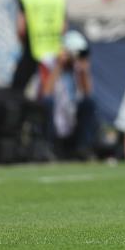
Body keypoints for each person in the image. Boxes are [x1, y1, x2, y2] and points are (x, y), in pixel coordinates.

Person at [39, 30, 98, 160]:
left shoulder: (77, 68)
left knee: (89, 104)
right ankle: (48, 147)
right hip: (53, 116)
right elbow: (46, 93)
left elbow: (87, 94)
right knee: (47, 103)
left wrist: (84, 71)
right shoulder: (48, 62)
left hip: (70, 115)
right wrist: (59, 66)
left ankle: (83, 148)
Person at [12, 0, 66, 94]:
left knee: (17, 89)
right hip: (53, 50)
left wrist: (23, 42)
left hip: (32, 47)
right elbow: (64, 25)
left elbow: (21, 27)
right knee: (49, 91)